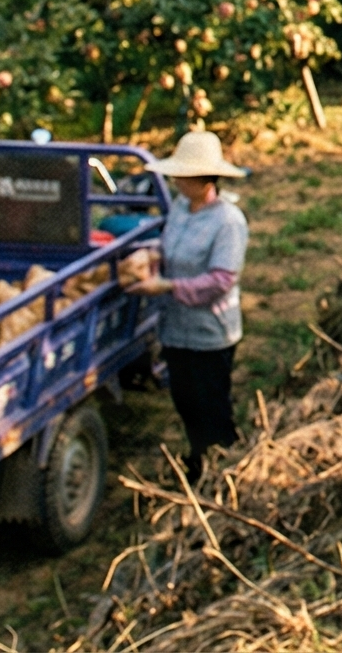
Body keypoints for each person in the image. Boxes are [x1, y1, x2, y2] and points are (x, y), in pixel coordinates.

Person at [125, 129, 252, 471]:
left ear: (205, 179)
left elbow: (221, 280)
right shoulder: (181, 209)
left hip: (209, 331)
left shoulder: (228, 222)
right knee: (185, 400)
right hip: (176, 326)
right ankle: (199, 457)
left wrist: (166, 287)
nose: (178, 182)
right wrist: (150, 261)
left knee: (211, 403)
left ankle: (222, 466)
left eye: (185, 176)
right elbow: (168, 247)